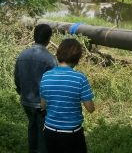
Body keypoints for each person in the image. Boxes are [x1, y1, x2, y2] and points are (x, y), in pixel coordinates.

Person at [40, 38, 95, 153]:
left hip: (49, 132)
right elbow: (90, 109)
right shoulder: (80, 78)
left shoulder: (46, 76)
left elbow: (43, 106)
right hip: (71, 134)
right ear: (77, 57)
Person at [14, 24, 57, 153]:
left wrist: (21, 92)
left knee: (32, 126)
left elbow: (17, 78)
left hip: (26, 101)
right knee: (43, 130)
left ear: (34, 37)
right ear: (48, 39)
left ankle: (32, 150)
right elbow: (53, 85)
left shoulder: (22, 55)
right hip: (41, 104)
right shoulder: (50, 59)